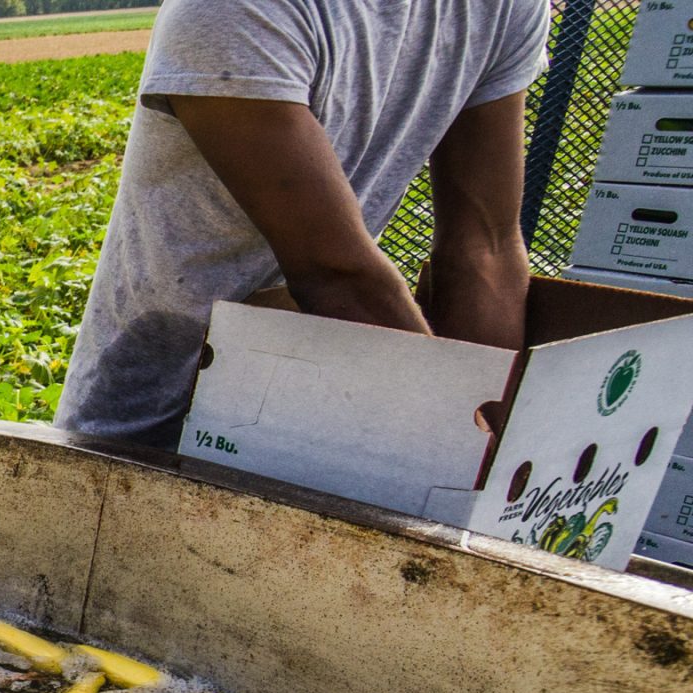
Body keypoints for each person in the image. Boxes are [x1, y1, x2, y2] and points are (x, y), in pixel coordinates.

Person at [56, 0, 553, 444]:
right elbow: (336, 274)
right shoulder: (232, 11)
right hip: (151, 423)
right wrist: (461, 444)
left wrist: (497, 444)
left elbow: (485, 248)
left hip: (327, 400)